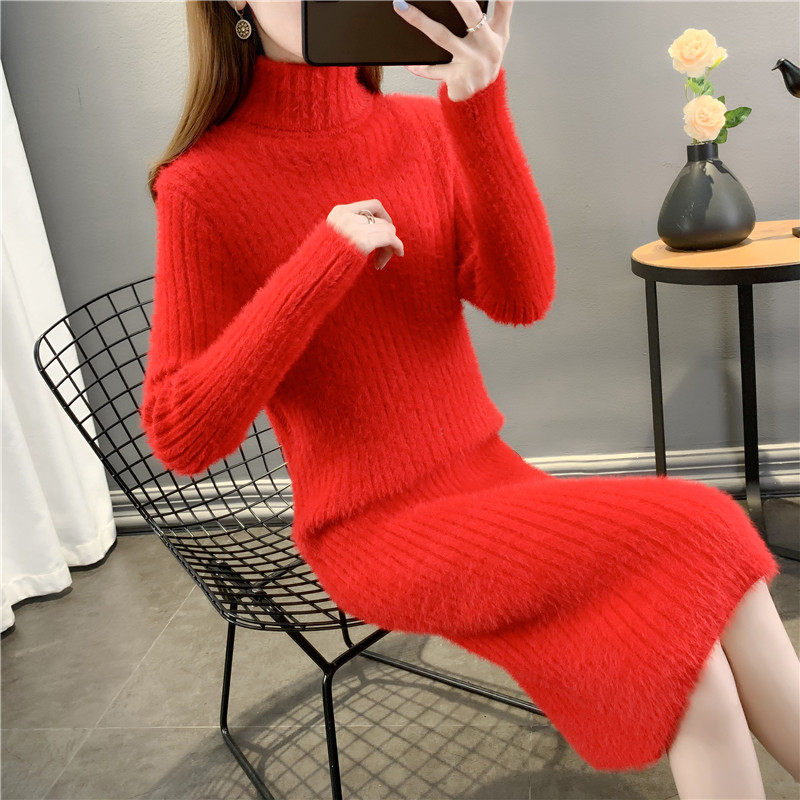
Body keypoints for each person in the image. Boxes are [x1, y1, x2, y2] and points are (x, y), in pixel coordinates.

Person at [140, 1, 799, 796]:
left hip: (488, 475)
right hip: (369, 527)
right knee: (707, 525)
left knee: (693, 663)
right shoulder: (201, 185)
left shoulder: (422, 130)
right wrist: (321, 263)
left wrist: (477, 104)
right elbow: (181, 435)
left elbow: (521, 297)